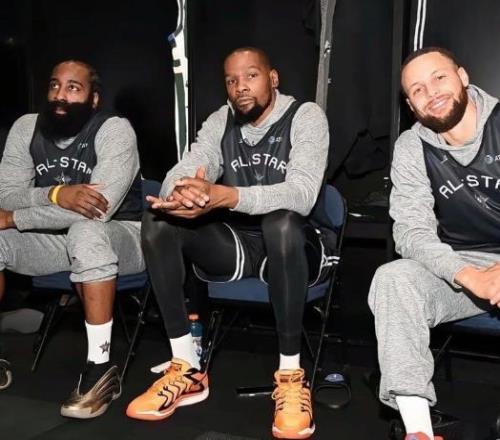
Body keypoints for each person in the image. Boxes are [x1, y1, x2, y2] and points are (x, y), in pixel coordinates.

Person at [127, 47, 331, 440]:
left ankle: (291, 376)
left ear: (273, 79)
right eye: (231, 80)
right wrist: (182, 191)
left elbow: (302, 194)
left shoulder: (305, 116)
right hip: (239, 243)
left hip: (294, 246)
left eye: (251, 76)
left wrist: (228, 196)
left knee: (282, 222)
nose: (241, 87)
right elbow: (189, 166)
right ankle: (186, 367)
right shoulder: (221, 119)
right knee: (158, 219)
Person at [368, 46, 500, 440]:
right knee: (394, 278)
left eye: (439, 78)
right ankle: (419, 431)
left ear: (463, 76)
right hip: (462, 266)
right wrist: (468, 275)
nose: (432, 93)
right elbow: (411, 232)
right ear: (411, 106)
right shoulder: (412, 146)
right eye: (418, 90)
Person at [0, 60, 145, 418]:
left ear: (94, 98)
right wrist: (56, 194)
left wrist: (19, 216)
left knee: (86, 230)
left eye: (73, 88)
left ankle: (100, 368)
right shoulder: (26, 127)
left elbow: (97, 210)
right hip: (54, 239)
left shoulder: (114, 130)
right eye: (54, 86)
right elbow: (5, 196)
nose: (60, 96)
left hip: (123, 237)